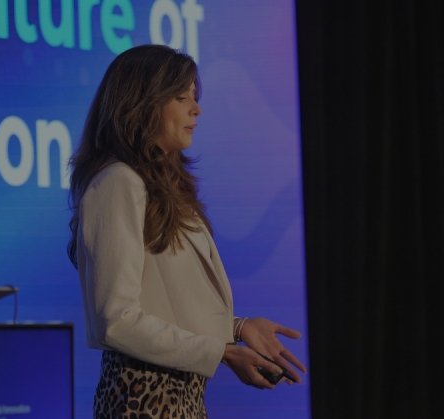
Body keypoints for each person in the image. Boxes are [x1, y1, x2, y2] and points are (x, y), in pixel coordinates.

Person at [67, 44, 306, 418]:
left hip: (181, 396)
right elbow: (116, 320)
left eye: (194, 97)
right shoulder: (118, 183)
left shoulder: (161, 186)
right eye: (181, 98)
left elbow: (165, 308)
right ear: (143, 105)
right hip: (142, 400)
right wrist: (223, 352)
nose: (197, 109)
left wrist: (237, 328)